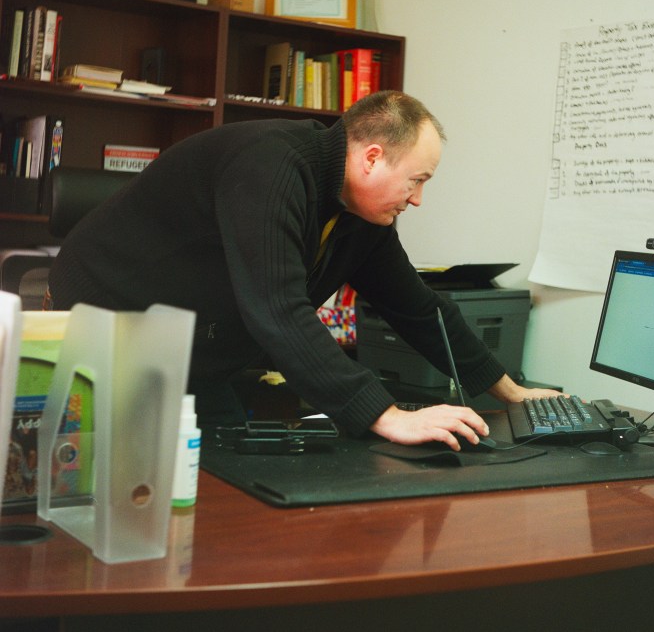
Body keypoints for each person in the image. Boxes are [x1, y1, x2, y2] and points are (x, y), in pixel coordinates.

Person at [47, 90, 559, 450]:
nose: (418, 199)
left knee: (224, 482)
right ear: (372, 158)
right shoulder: (269, 166)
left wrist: (512, 392)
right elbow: (278, 309)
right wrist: (389, 417)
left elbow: (419, 308)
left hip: (189, 350)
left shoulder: (361, 217)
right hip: (110, 329)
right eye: (417, 180)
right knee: (134, 494)